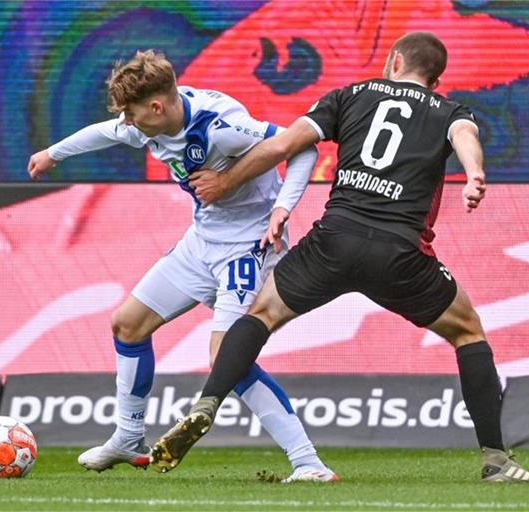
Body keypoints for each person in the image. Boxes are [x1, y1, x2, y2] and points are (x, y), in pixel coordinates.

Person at [150, 33, 529, 483]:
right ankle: (495, 459)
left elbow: (282, 146)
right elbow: (465, 136)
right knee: (468, 332)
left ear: (394, 60)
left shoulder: (350, 95)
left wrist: (225, 182)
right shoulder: (448, 111)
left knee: (260, 314)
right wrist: (475, 173)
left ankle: (209, 401)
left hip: (333, 240)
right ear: (436, 81)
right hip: (398, 253)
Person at [28, 50, 339, 482]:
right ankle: (128, 437)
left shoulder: (221, 125)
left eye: (133, 115)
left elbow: (301, 147)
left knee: (226, 355)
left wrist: (283, 207)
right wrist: (53, 154)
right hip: (202, 243)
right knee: (128, 324)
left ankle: (308, 463)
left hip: (248, 248)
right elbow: (107, 132)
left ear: (157, 106)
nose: (129, 124)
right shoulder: (148, 123)